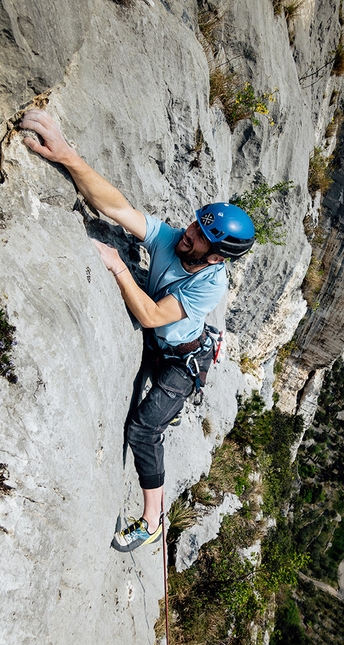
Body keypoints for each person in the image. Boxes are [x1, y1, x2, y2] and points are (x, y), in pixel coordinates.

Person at [20, 108, 255, 552]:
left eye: (201, 237)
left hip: (182, 361)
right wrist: (68, 155)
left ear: (217, 256)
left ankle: (151, 520)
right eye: (194, 225)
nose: (188, 235)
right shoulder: (173, 239)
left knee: (143, 431)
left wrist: (117, 267)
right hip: (160, 341)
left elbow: (149, 316)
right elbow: (115, 206)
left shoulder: (210, 283)